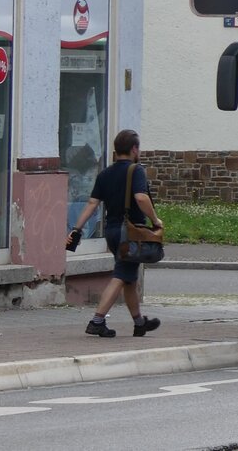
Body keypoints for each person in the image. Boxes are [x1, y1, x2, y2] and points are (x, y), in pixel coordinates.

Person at [67, 129, 163, 339]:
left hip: (111, 231)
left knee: (128, 276)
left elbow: (92, 204)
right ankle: (97, 321)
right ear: (134, 149)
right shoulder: (135, 170)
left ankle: (139, 323)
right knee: (121, 275)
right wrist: (155, 220)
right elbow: (141, 198)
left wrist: (76, 228)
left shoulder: (105, 174)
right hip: (129, 233)